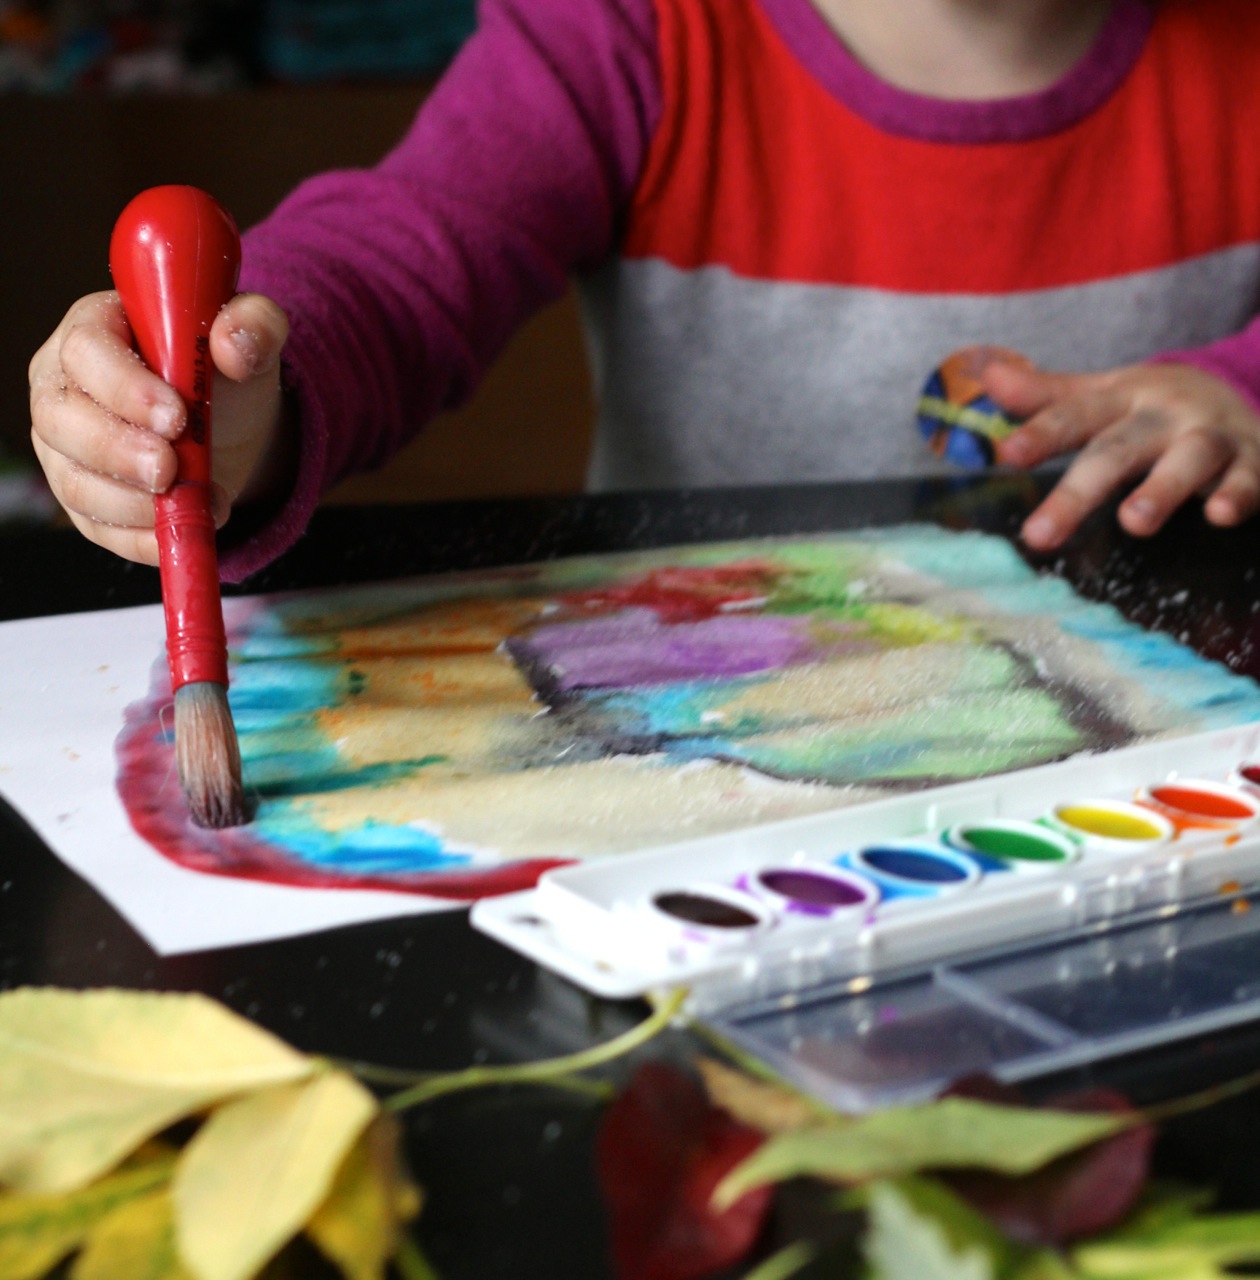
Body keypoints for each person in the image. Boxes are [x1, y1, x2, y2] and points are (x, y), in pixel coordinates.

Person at [28, 0, 1260, 582]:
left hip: (1154, 771)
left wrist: (1240, 390)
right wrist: (251, 380)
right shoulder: (627, 31)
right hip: (700, 725)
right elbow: (404, 253)